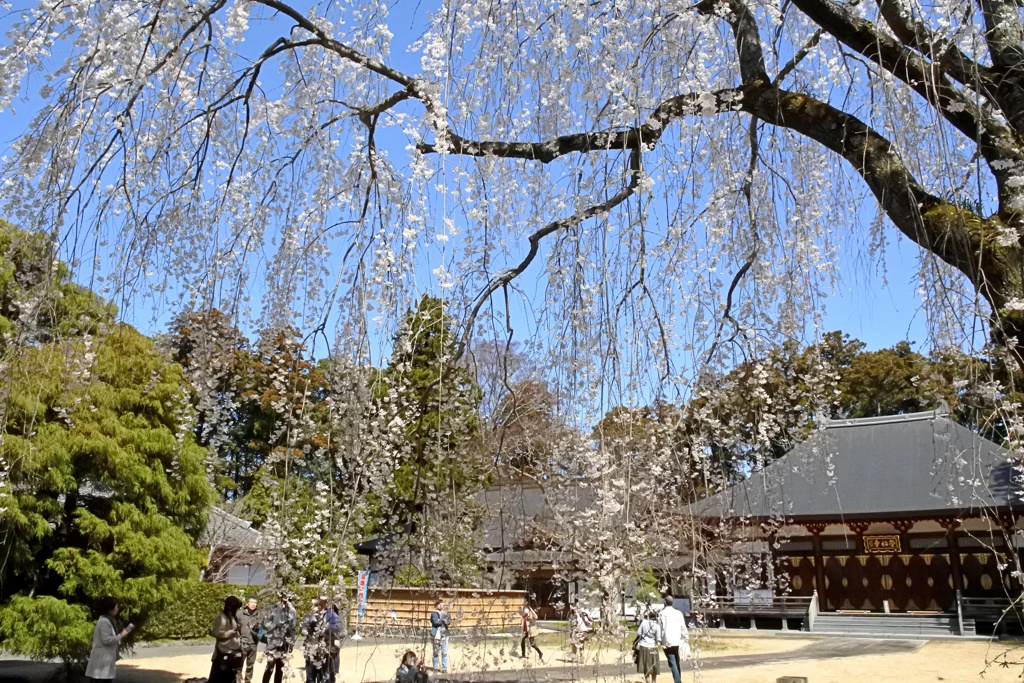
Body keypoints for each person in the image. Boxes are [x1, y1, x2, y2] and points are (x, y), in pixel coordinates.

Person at [85, 597, 131, 682]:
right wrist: (121, 635)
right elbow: (106, 640)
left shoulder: (108, 621)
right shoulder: (104, 622)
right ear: (110, 609)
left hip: (105, 661)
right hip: (102, 661)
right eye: (116, 607)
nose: (117, 609)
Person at [262, 593, 297, 683]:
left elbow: (293, 626)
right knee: (270, 667)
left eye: (289, 599)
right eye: (286, 598)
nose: (287, 600)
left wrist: (292, 642)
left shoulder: (291, 610)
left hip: (284, 643)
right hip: (273, 642)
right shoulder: (273, 607)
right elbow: (266, 623)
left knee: (280, 668)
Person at [209, 595, 245, 683]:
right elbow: (215, 632)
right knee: (220, 678)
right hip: (223, 652)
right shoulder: (221, 617)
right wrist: (229, 633)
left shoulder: (233, 616)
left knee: (232, 678)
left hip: (234, 651)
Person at [301, 598, 335, 683]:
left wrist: (327, 629)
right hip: (311, 648)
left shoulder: (330, 615)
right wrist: (305, 630)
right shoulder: (310, 616)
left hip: (324, 649)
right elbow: (302, 628)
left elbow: (338, 629)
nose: (318, 607)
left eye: (321, 605)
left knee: (324, 676)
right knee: (310, 677)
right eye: (316, 605)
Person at [657, 595, 688, 683]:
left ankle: (678, 681)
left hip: (667, 641)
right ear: (673, 602)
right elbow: (683, 627)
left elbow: (660, 628)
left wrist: (658, 640)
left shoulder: (661, 614)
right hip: (677, 640)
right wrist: (685, 638)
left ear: (664, 602)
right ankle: (678, 679)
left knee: (672, 663)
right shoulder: (678, 613)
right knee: (676, 661)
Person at [635, 608, 662, 683]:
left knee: (646, 668)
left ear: (649, 616)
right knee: (654, 667)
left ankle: (648, 681)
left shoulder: (644, 622)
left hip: (644, 647)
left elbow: (639, 633)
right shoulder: (657, 626)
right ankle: (654, 681)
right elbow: (658, 639)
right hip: (653, 647)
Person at [237, 597, 261, 683]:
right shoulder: (239, 614)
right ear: (247, 604)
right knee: (239, 665)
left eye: (255, 603)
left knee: (250, 665)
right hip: (242, 643)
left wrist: (259, 628)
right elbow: (235, 628)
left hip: (253, 644)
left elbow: (263, 629)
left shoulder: (259, 614)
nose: (254, 604)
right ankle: (238, 680)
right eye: (252, 602)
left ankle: (248, 681)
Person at [429, 598, 451, 673]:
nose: (441, 605)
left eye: (442, 604)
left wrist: (443, 621)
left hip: (444, 635)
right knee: (435, 652)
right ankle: (435, 667)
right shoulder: (434, 613)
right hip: (436, 635)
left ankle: (444, 668)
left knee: (444, 653)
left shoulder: (446, 613)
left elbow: (449, 621)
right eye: (439, 604)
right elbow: (435, 622)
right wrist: (443, 621)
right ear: (436, 605)